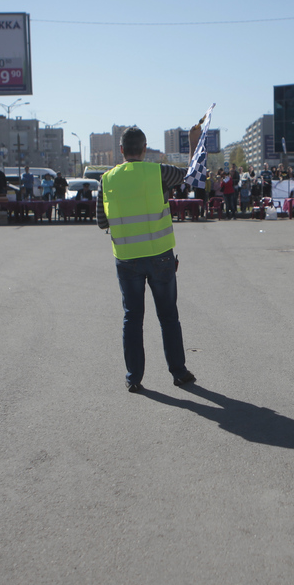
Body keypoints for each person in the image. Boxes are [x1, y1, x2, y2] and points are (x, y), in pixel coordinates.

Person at [97, 127, 195, 393]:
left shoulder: (106, 180)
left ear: (120, 151)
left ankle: (134, 378)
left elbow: (101, 221)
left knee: (132, 318)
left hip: (127, 259)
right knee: (168, 316)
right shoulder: (159, 172)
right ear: (144, 149)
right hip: (160, 255)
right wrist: (193, 147)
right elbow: (188, 174)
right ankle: (179, 372)